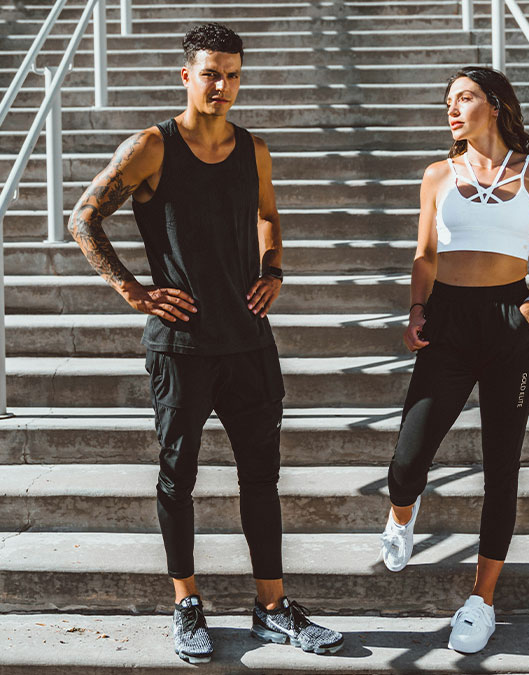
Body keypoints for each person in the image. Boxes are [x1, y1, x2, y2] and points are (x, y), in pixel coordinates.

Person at [66, 22, 342, 665]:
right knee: (177, 477)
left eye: (233, 74)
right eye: (211, 72)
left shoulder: (255, 149)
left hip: (248, 342)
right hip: (182, 347)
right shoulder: (151, 147)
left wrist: (273, 271)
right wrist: (135, 292)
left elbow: (268, 213)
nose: (223, 86)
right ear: (185, 75)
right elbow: (83, 216)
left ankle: (271, 608)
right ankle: (186, 602)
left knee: (262, 479)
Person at [378, 66, 529, 654]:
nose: (452, 109)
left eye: (464, 98)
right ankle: (402, 514)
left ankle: (481, 601)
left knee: (501, 466)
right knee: (409, 457)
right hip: (449, 320)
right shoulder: (437, 174)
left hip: (509, 321)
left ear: (497, 105)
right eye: (449, 101)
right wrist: (415, 308)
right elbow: (425, 255)